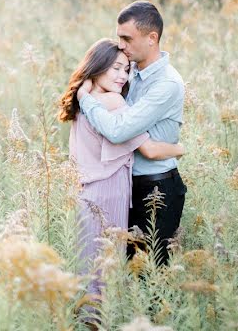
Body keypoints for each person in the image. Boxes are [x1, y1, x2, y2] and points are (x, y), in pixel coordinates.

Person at [59, 38, 185, 299]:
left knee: (87, 268)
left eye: (126, 69)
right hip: (108, 193)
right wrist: (180, 148)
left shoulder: (82, 102)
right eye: (115, 68)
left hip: (85, 193)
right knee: (106, 272)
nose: (122, 76)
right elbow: (150, 150)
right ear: (97, 67)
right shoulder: (114, 103)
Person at [76, 1, 186, 266]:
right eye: (119, 38)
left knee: (152, 278)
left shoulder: (167, 84)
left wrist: (85, 97)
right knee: (123, 271)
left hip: (156, 190)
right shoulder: (129, 71)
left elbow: (118, 131)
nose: (121, 45)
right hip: (126, 187)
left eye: (127, 38)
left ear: (152, 38)